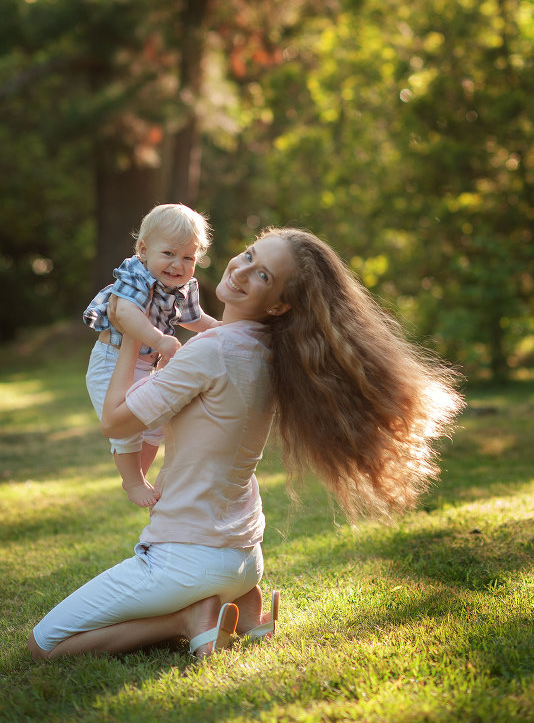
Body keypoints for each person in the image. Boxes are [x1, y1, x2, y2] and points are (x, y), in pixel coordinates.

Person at [28, 227, 463, 661]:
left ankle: (187, 619)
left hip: (185, 560)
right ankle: (239, 603)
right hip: (243, 558)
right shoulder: (274, 353)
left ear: (278, 304)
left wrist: (128, 337)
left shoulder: (210, 351)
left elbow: (114, 422)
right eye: (250, 255)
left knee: (44, 645)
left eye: (262, 276)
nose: (241, 269)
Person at [83, 203, 220, 508]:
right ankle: (133, 482)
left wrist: (221, 329)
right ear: (144, 250)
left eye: (188, 257)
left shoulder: (183, 286)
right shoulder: (136, 274)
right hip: (111, 359)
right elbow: (127, 313)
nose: (178, 265)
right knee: (126, 427)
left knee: (157, 423)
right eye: (169, 254)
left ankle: (137, 474)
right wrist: (159, 339)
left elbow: (194, 318)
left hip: (146, 364)